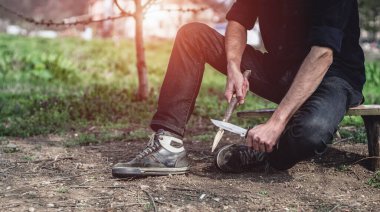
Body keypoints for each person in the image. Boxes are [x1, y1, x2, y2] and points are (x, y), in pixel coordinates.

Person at [112, 0, 365, 177]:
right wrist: (233, 66)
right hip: (280, 71)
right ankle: (168, 145)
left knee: (310, 132)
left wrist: (276, 123)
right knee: (193, 36)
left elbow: (322, 55)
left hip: (331, 76)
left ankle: (267, 154)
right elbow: (238, 20)